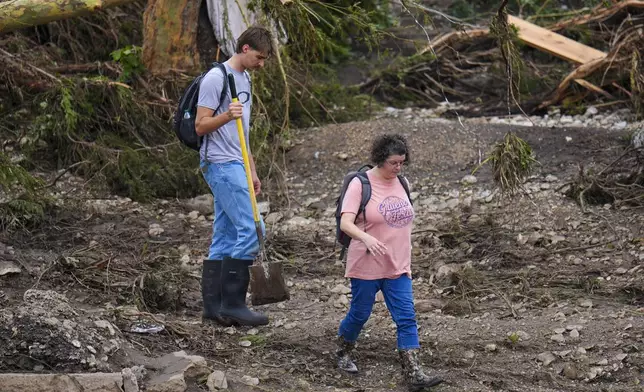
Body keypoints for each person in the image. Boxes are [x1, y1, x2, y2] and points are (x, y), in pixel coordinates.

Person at [335, 134, 444, 391]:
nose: (398, 168)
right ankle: (343, 351)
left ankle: (413, 372)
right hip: (366, 263)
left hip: (398, 264)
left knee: (406, 317)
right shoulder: (360, 184)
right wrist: (366, 238)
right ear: (380, 159)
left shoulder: (402, 183)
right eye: (394, 163)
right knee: (360, 314)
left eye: (402, 163)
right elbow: (345, 223)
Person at [194, 26, 273, 327]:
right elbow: (201, 126)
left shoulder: (246, 79)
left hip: (237, 164)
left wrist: (251, 170)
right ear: (244, 48)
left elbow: (245, 134)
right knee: (253, 230)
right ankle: (233, 304)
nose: (262, 63)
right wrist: (227, 114)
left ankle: (213, 308)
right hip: (219, 164)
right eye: (259, 57)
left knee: (226, 234)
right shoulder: (216, 78)